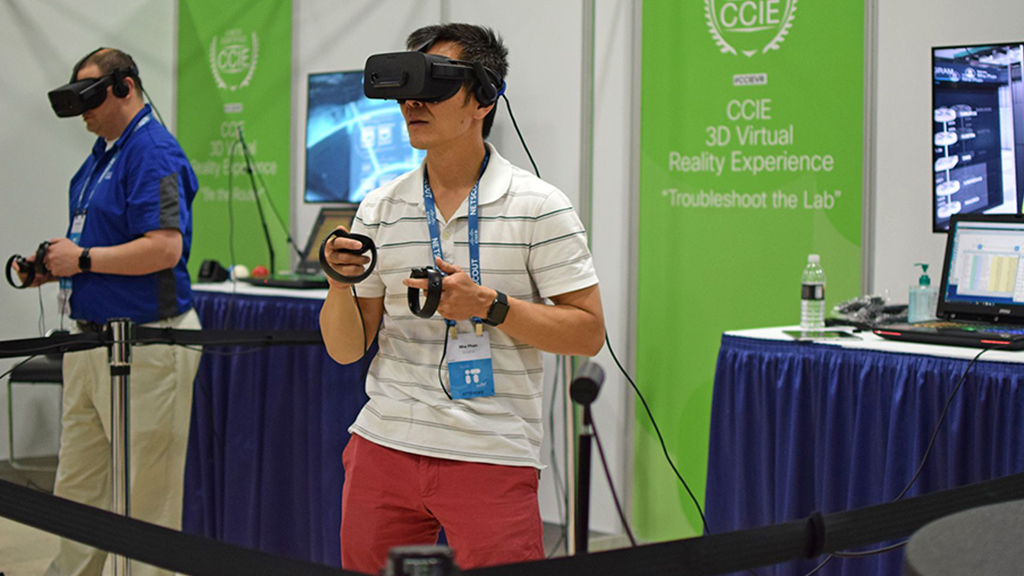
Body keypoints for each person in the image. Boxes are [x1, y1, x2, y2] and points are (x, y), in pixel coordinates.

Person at [320, 24, 605, 573]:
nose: (412, 103)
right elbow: (345, 350)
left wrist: (489, 306)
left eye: (433, 85)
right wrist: (337, 284)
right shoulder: (379, 208)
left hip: (491, 450)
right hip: (385, 442)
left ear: (484, 99)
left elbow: (588, 332)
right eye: (407, 87)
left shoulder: (539, 206)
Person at [16, 48, 202, 576]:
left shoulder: (154, 152)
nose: (83, 111)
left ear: (125, 87)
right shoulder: (102, 155)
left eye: (91, 97)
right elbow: (101, 242)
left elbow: (165, 248)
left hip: (147, 342)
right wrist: (57, 267)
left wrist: (83, 260)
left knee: (148, 493)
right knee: (78, 483)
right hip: (92, 340)